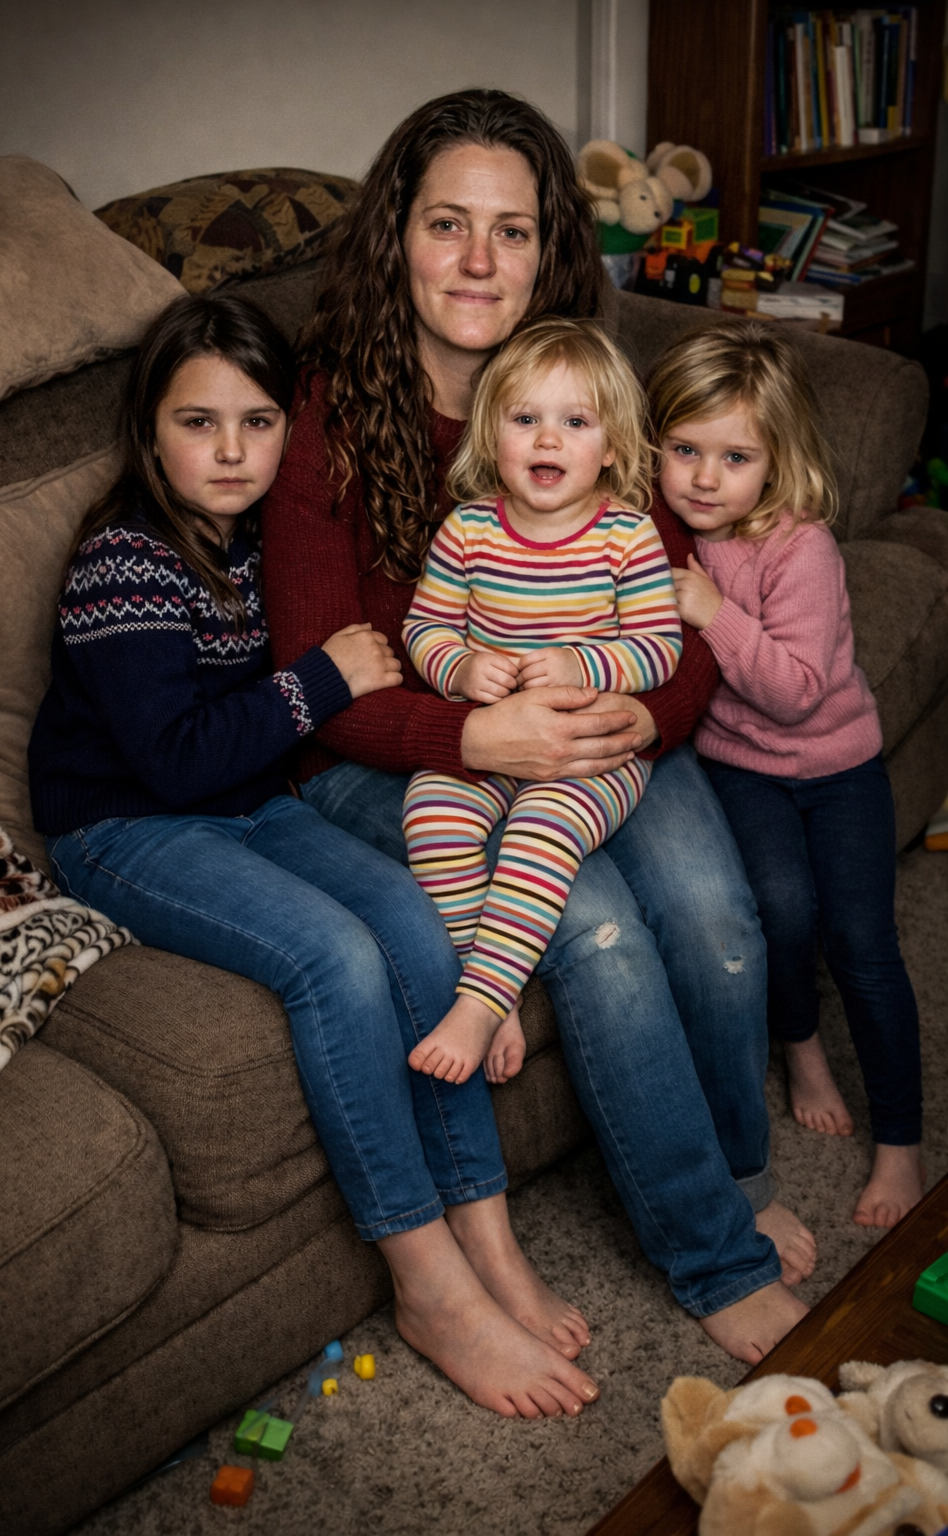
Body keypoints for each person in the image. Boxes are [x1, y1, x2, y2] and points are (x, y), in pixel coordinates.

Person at [263, 87, 817, 1365]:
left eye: (509, 231)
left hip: (592, 728)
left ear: (547, 247)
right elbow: (319, 680)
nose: (477, 260)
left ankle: (735, 1173)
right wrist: (475, 739)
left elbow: (674, 625)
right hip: (398, 750)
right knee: (602, 929)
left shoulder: (584, 391)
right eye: (446, 223)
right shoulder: (328, 416)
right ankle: (714, 1258)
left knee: (713, 911)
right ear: (395, 235)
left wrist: (634, 709)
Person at [28, 292, 602, 1421]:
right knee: (336, 959)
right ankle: (429, 1285)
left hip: (253, 803)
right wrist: (322, 682)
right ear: (148, 430)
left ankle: (489, 1241)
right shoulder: (123, 561)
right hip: (125, 829)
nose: (231, 451)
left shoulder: (250, 541)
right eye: (198, 423)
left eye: (257, 422)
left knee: (412, 921)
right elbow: (174, 761)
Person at [648, 318, 924, 1230]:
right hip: (739, 769)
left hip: (837, 766)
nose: (704, 478)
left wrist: (714, 612)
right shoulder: (662, 534)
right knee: (780, 910)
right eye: (684, 450)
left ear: (777, 462)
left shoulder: (800, 549)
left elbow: (799, 693)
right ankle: (802, 1046)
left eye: (735, 458)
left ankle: (901, 1140)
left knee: (863, 943)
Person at [402, 317, 681, 1087]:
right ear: (490, 434)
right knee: (430, 816)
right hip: (493, 736)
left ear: (613, 446)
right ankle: (494, 988)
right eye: (525, 419)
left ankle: (477, 1004)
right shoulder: (467, 530)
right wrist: (461, 668)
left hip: (594, 752)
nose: (548, 439)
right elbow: (424, 628)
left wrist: (579, 662)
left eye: (576, 422)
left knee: (539, 830)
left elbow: (660, 647)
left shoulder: (627, 536)